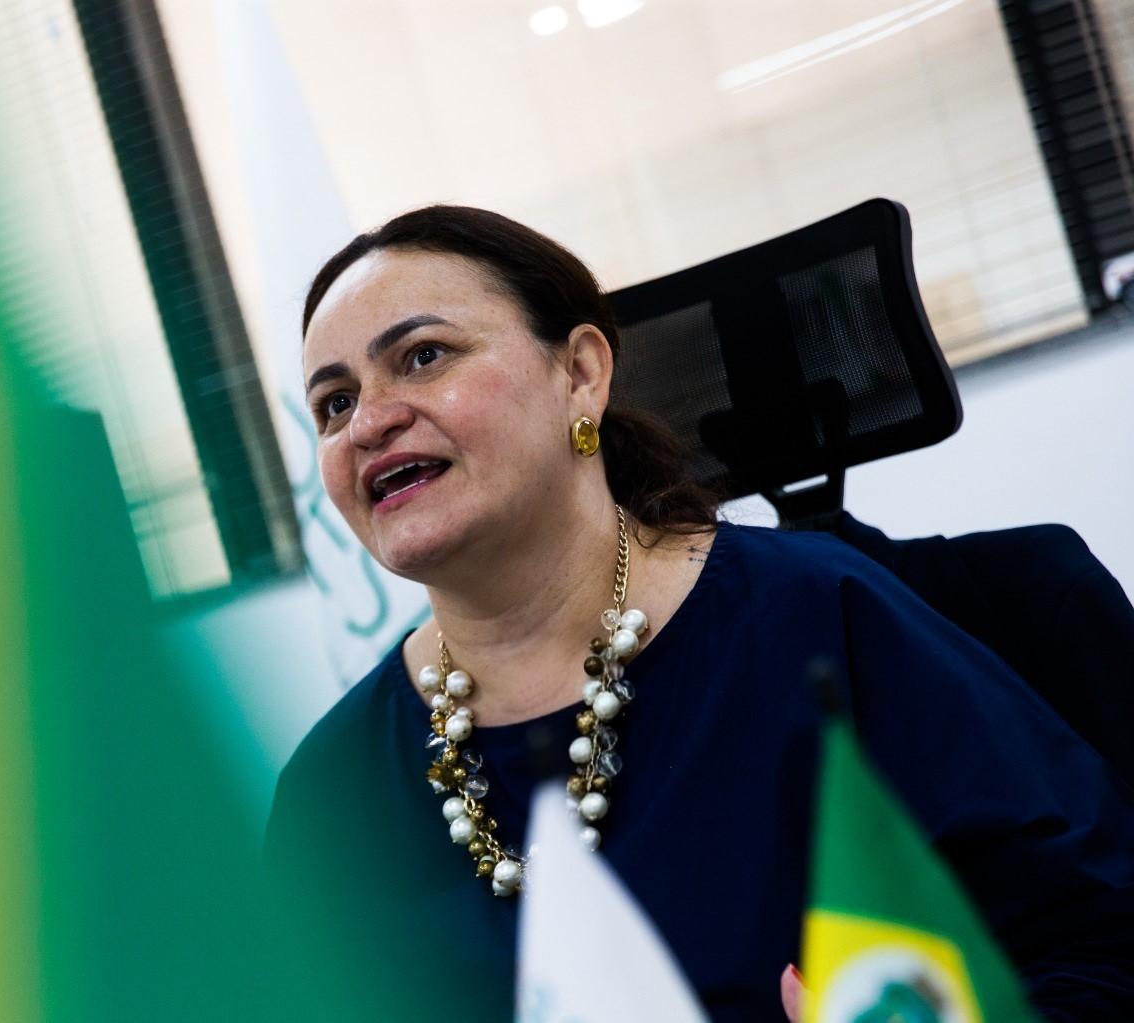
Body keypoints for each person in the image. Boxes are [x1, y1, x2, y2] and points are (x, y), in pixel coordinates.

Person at [265, 205, 1134, 1022]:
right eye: (334, 403)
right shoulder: (330, 793)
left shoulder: (820, 619)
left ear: (581, 374)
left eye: (423, 356)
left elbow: (1095, 945)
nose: (369, 421)